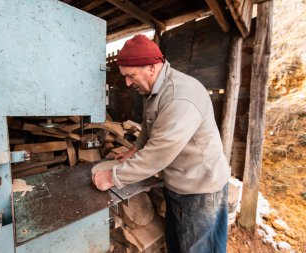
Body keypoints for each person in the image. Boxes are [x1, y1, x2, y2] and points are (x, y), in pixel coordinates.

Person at [92, 34, 231, 253]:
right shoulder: (154, 91)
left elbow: (157, 154)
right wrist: (135, 149)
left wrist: (112, 177)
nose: (127, 83)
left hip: (201, 190)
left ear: (150, 68)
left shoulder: (179, 97)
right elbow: (149, 126)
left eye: (130, 76)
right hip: (179, 183)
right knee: (177, 245)